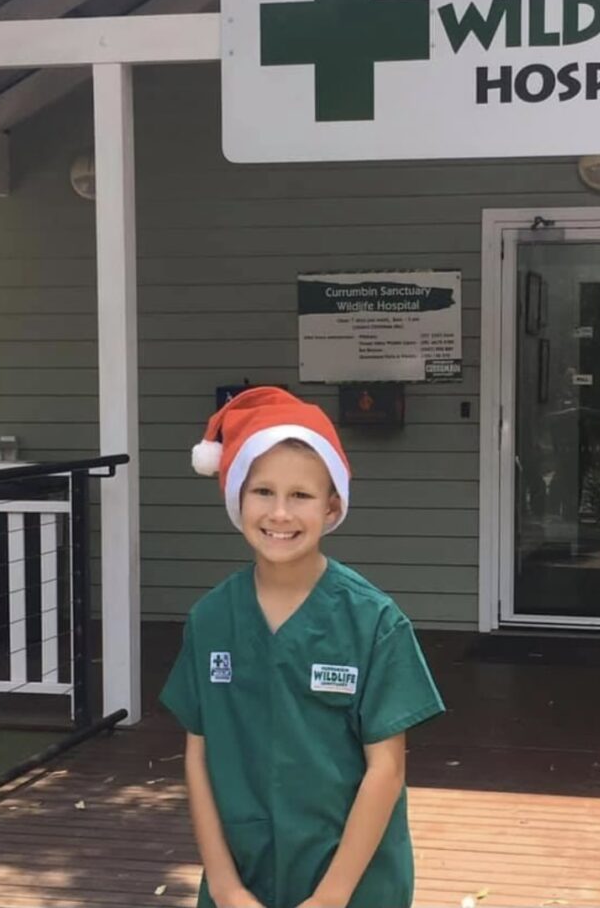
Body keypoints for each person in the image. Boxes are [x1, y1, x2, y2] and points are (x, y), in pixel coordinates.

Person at [159, 387, 445, 908]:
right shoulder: (211, 620)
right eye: (263, 491)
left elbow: (386, 771)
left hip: (353, 887)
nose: (280, 513)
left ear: (332, 506)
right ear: (237, 497)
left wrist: (331, 897)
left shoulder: (373, 622)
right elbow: (198, 756)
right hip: (243, 880)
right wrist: (224, 886)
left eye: (301, 496)